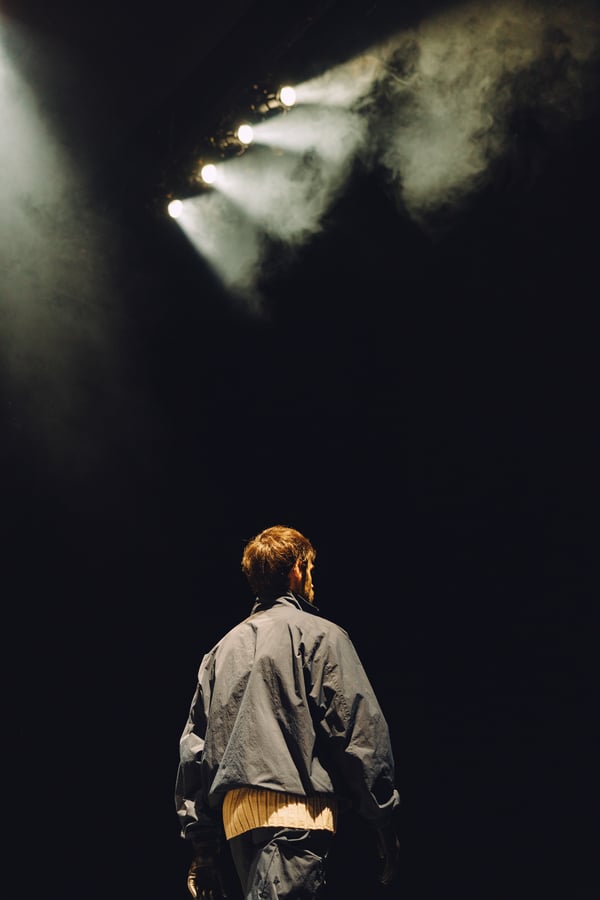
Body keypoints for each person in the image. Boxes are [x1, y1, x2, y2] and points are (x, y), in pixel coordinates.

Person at [175, 525, 400, 899]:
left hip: (238, 823)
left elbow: (194, 750)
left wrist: (203, 847)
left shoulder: (220, 652)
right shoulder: (321, 636)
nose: (312, 579)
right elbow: (357, 730)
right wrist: (383, 817)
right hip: (297, 815)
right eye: (310, 569)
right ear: (297, 569)